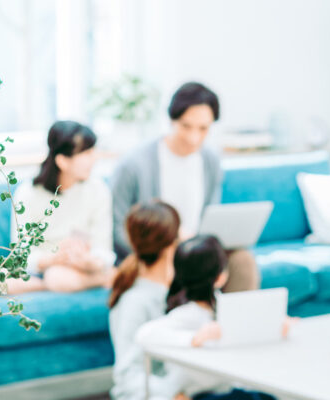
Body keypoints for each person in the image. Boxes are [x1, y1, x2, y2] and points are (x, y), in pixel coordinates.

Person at [111, 82, 259, 292]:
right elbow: (118, 229)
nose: (193, 138)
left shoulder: (211, 161)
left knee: (242, 261)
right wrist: (162, 250)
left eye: (203, 129)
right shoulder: (134, 164)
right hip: (155, 255)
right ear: (172, 120)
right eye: (186, 126)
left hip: (194, 252)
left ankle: (230, 315)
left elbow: (209, 216)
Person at [136, 235, 278, 400]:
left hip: (225, 388)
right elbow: (143, 334)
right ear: (221, 277)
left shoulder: (223, 306)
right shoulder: (187, 313)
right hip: (199, 394)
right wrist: (194, 338)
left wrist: (273, 325)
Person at [6, 121, 115, 294]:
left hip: (83, 267)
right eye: (86, 153)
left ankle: (53, 283)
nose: (94, 159)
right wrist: (53, 259)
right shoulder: (27, 194)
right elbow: (21, 255)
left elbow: (104, 249)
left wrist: (90, 261)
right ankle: (54, 283)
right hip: (43, 268)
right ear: (63, 161)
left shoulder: (98, 189)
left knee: (57, 276)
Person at [108, 201, 182, 400]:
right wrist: (175, 394)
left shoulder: (174, 290)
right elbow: (127, 376)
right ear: (172, 245)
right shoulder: (135, 301)